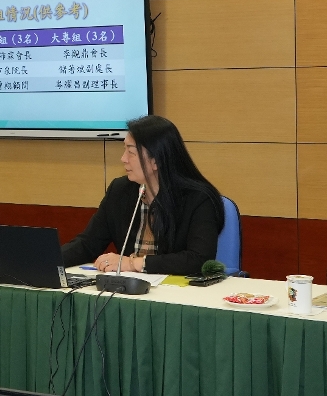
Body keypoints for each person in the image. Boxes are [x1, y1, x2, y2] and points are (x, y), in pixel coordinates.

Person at [61, 115, 223, 276]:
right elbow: (88, 244)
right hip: (129, 287)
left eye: (131, 152)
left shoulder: (199, 199)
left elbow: (199, 259)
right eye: (124, 150)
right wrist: (49, 260)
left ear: (156, 161)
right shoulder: (120, 191)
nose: (123, 159)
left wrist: (134, 263)